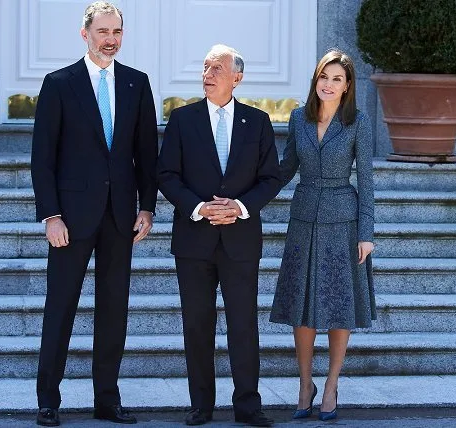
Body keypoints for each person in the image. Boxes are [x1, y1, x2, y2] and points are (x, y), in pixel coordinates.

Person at [31, 2, 158, 426]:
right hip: (70, 217)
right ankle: (48, 399)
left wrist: (147, 206)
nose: (111, 39)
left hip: (121, 216)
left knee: (113, 310)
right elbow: (42, 158)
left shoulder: (137, 84)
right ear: (84, 33)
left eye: (116, 31)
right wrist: (51, 215)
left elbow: (146, 154)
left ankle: (108, 399)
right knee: (61, 306)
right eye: (103, 31)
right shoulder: (59, 83)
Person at [157, 44, 281, 427]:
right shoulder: (182, 119)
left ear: (237, 78)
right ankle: (201, 406)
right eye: (206, 67)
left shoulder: (258, 122)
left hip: (240, 239)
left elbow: (270, 179)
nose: (208, 74)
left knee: (244, 324)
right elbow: (166, 176)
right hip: (194, 239)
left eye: (217, 69)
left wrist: (240, 208)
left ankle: (248, 405)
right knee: (197, 325)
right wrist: (199, 208)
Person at [269, 49, 376, 421]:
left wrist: (367, 233)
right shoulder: (299, 118)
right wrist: (244, 198)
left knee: (338, 306)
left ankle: (330, 384)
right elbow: (284, 170)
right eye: (323, 77)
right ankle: (304, 384)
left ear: (347, 87)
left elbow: (367, 181)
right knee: (301, 306)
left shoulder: (358, 122)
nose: (328, 85)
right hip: (302, 221)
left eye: (337, 79)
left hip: (343, 223)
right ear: (316, 81)